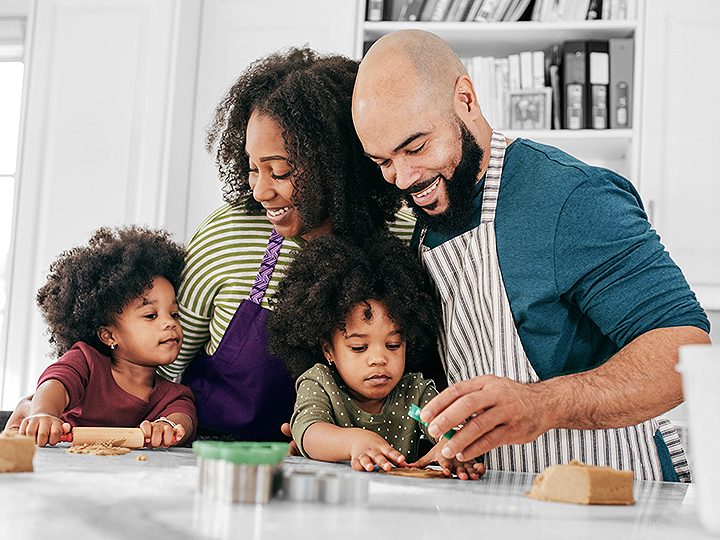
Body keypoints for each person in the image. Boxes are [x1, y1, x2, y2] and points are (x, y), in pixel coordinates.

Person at [351, 29, 711, 482]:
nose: (403, 177)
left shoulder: (571, 196)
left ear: (465, 99)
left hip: (617, 492)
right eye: (383, 161)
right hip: (504, 496)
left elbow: (684, 350)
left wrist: (543, 404)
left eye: (416, 147)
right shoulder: (427, 216)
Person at [156, 47, 417, 441]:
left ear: (337, 165)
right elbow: (156, 367)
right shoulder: (226, 235)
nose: (261, 191)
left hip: (365, 474)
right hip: (231, 468)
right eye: (251, 168)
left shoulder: (404, 235)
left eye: (280, 171)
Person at [267, 232, 483, 479]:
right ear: (329, 350)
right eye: (359, 348)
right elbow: (309, 433)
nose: (379, 359)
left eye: (393, 344)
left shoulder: (414, 394)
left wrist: (451, 445)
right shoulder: (320, 383)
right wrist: (354, 442)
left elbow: (442, 425)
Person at [17, 226, 197, 448]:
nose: (170, 322)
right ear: (109, 335)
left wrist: (167, 425)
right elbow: (56, 384)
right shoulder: (85, 363)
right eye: (151, 315)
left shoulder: (174, 395)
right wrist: (44, 414)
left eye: (174, 314)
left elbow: (183, 419)